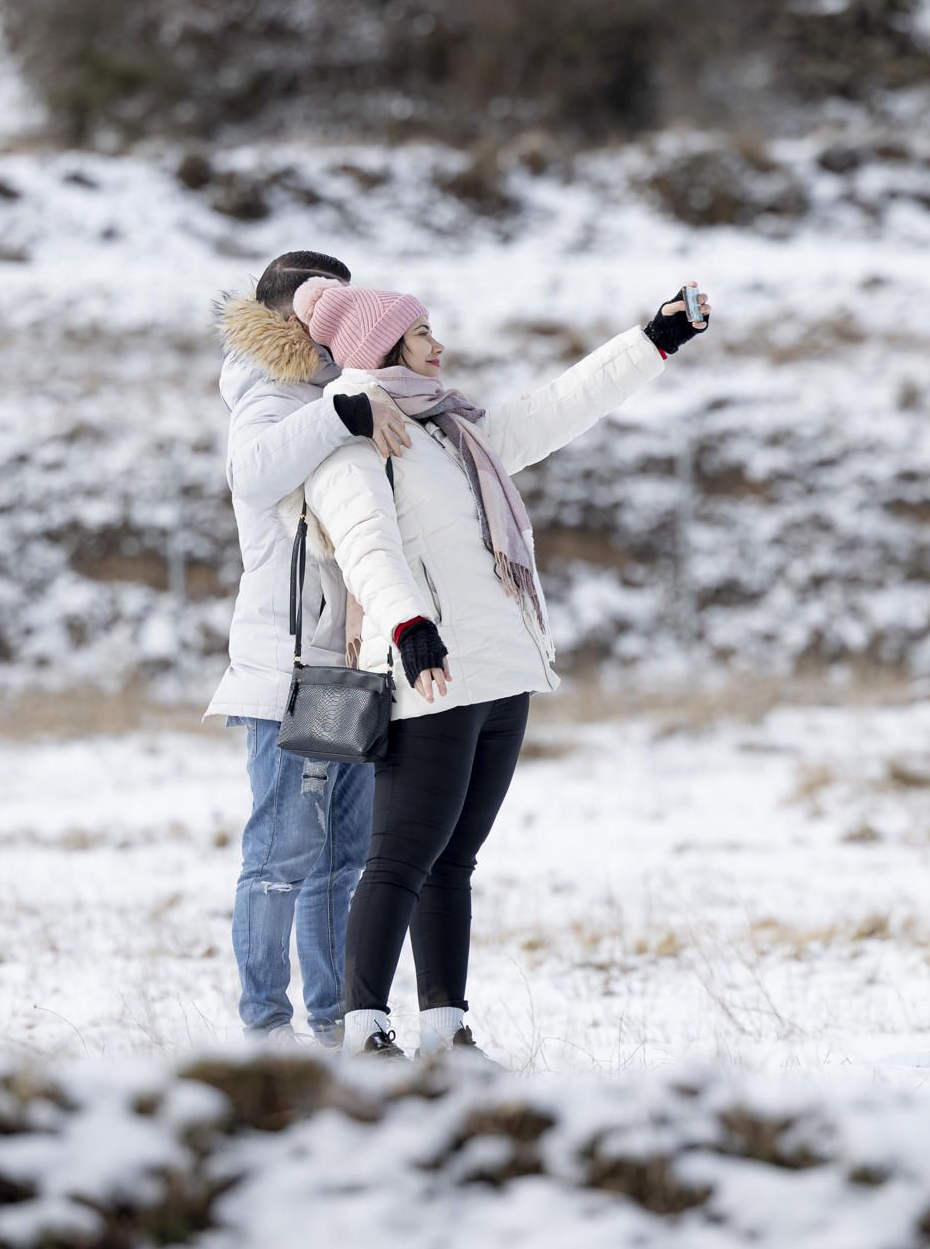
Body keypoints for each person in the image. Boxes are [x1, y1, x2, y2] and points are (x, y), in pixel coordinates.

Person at [281, 277, 712, 1059]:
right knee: (401, 858)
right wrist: (409, 625)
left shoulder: (452, 429)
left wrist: (653, 340)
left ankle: (447, 1027)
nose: (437, 347)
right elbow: (365, 543)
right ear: (383, 349)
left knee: (454, 861)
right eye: (420, 337)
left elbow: (555, 409)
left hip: (500, 669)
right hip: (430, 675)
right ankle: (364, 1027)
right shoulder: (351, 440)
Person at [205, 251, 416, 1048]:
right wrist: (341, 412)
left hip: (354, 669)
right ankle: (265, 1025)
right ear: (284, 317)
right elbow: (256, 476)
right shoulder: (264, 394)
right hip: (284, 670)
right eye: (313, 305)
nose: (326, 320)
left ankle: (336, 1019)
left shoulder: (351, 392)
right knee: (280, 854)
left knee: (346, 857)